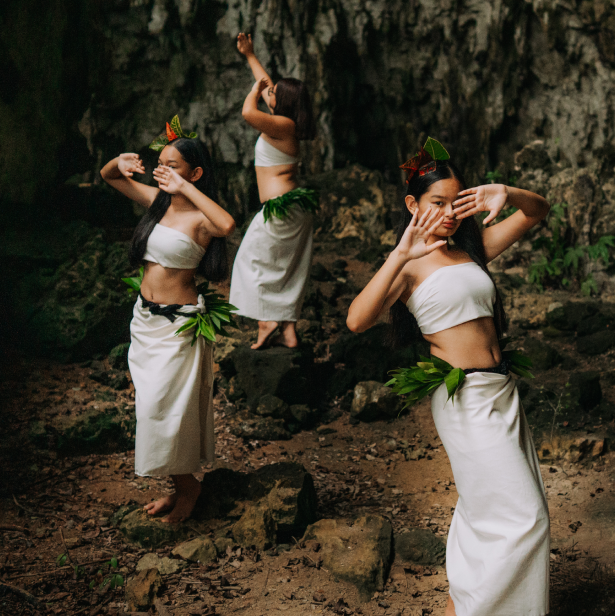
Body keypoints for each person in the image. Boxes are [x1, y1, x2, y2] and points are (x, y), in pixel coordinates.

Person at [346, 144, 551, 616]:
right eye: (437, 202)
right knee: (525, 517)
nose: (448, 212)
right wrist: (401, 253)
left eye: (457, 201)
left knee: (489, 510)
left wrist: (506, 191)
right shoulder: (411, 264)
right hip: (465, 398)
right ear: (412, 205)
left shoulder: (472, 248)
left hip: (501, 391)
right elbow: (358, 320)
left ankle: (466, 603)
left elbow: (537, 211)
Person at [99, 135, 235, 523]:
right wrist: (118, 161)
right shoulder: (157, 205)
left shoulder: (201, 217)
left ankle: (189, 488)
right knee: (152, 407)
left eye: (172, 165)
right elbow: (110, 177)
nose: (163, 171)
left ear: (195, 173)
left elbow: (227, 224)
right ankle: (183, 485)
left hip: (178, 328)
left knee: (166, 408)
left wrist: (184, 188)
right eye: (160, 163)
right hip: (145, 321)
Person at [230, 32, 318, 349]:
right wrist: (249, 54)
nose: (268, 92)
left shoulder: (283, 126)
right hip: (291, 206)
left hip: (282, 208)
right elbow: (269, 83)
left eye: (273, 93)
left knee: (250, 260)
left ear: (283, 103)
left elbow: (247, 113)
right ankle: (288, 328)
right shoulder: (286, 123)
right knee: (288, 267)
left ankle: (268, 320)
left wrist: (253, 93)